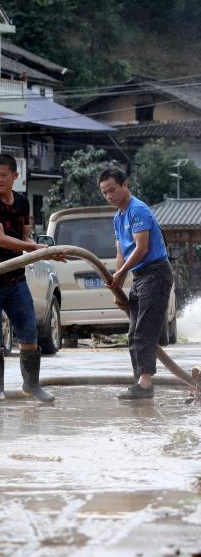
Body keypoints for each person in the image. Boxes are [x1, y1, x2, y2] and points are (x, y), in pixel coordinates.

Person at [0, 153, 55, 403]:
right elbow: (0, 239)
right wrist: (34, 249)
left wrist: (41, 249)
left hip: (16, 280)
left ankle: (31, 385)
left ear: (15, 177)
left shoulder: (21, 203)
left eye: (3, 175)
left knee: (29, 334)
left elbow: (25, 236)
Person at [99, 165, 172, 400]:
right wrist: (116, 280)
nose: (109, 196)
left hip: (155, 274)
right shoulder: (118, 217)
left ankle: (145, 383)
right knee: (132, 333)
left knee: (144, 330)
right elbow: (121, 250)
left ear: (125, 185)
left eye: (112, 190)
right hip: (140, 278)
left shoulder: (138, 210)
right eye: (104, 193)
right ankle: (139, 382)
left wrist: (121, 273)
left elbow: (141, 249)